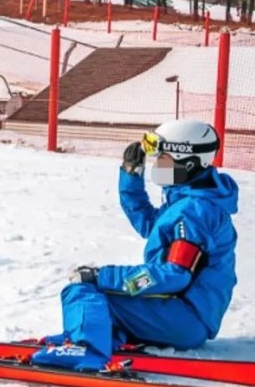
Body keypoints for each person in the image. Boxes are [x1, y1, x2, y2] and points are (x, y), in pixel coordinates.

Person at [30, 119, 238, 372]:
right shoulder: (189, 197)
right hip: (184, 313)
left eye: (164, 159)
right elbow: (151, 225)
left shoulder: (195, 211)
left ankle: (87, 350)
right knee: (99, 295)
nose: (158, 166)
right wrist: (131, 177)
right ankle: (101, 336)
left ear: (190, 163)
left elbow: (176, 275)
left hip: (184, 316)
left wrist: (102, 276)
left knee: (83, 291)